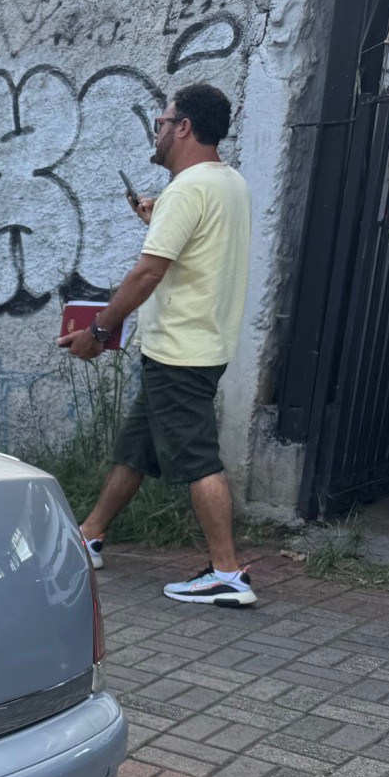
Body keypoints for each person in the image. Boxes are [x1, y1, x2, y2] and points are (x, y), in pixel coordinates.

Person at [58, 82, 255, 607]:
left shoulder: (186, 191)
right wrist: (158, 218)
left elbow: (147, 274)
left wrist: (99, 332)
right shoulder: (228, 183)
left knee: (198, 458)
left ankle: (227, 573)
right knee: (137, 447)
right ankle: (90, 535)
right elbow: (198, 251)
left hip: (181, 351)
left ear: (184, 127)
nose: (158, 130)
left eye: (162, 122)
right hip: (201, 343)